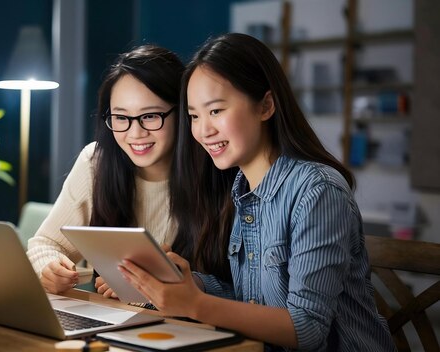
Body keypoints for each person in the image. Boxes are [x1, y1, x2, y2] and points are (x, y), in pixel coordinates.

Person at [118, 33, 396, 351]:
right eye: (194, 116)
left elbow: (306, 329)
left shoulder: (318, 191)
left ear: (265, 106)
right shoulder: (244, 189)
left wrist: (193, 304)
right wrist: (187, 282)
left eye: (216, 110)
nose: (203, 130)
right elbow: (253, 301)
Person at [27, 45, 189, 297]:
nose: (135, 133)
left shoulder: (215, 172)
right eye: (121, 117)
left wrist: (147, 282)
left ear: (182, 113)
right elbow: (45, 244)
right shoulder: (96, 161)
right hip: (107, 320)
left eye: (150, 116)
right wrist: (49, 268)